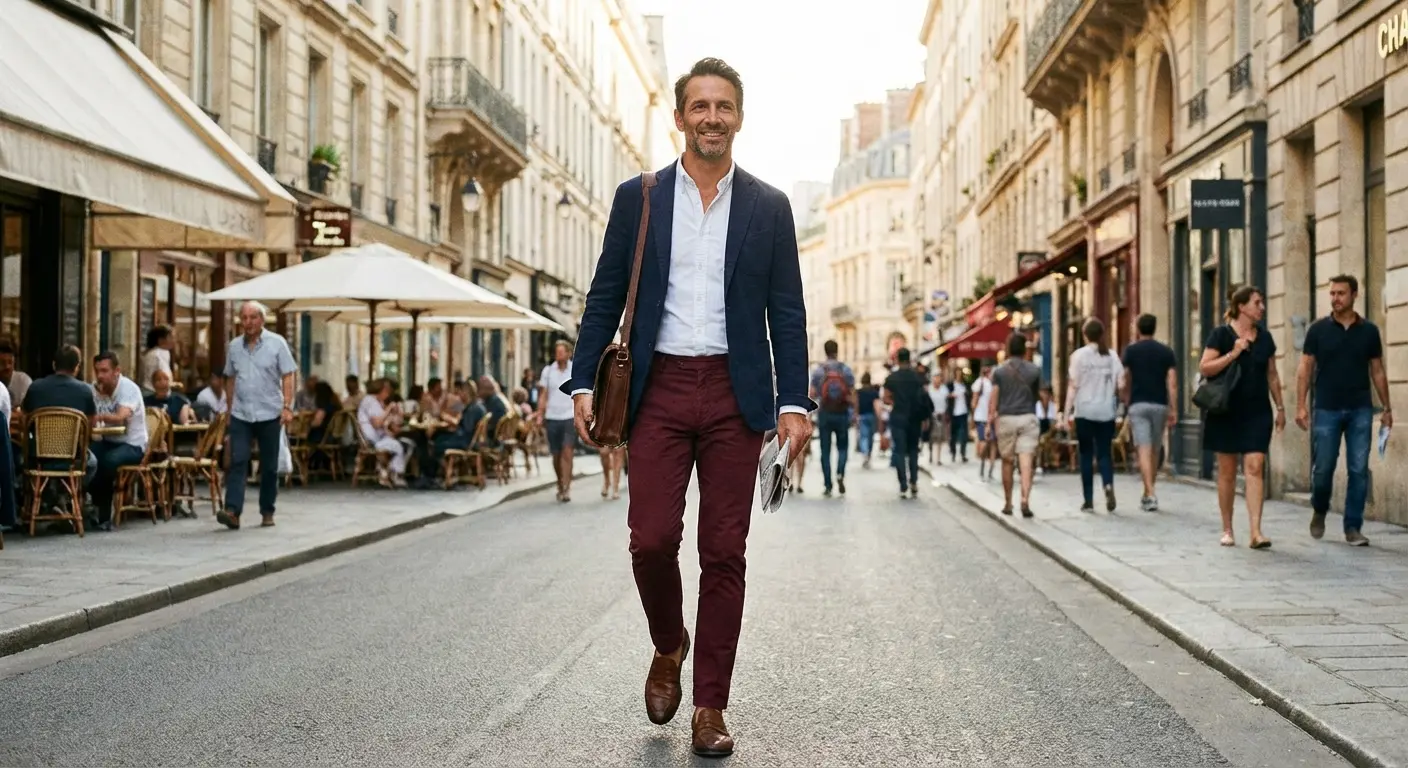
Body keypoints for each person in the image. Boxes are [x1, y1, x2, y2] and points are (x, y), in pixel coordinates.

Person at [562, 58, 812, 758]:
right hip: (660, 389)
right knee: (649, 540)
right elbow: (605, 294)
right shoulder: (639, 198)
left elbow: (787, 312)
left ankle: (710, 706)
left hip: (738, 397)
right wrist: (582, 382)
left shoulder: (768, 206)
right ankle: (668, 643)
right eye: (698, 106)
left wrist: (794, 402)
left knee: (724, 551)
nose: (711, 117)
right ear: (679, 118)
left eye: (723, 106)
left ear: (739, 116)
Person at [1296, 275, 1389, 546]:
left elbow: (1378, 371)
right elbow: (1305, 368)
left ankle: (1352, 527)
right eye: (1332, 293)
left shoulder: (1369, 331)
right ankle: (1320, 508)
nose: (1335, 298)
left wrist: (1387, 408)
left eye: (1341, 293)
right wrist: (1300, 405)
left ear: (1354, 295)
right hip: (1326, 408)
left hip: (1361, 408)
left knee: (1358, 469)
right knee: (1323, 468)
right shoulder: (1318, 330)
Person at [1200, 285, 1285, 549]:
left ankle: (1256, 531)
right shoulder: (1220, 335)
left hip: (1257, 411)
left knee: (1255, 466)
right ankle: (1227, 528)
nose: (1262, 307)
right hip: (1225, 410)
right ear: (1241, 307)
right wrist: (1233, 353)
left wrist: (1280, 407)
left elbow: (1272, 374)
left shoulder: (1266, 338)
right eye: (1257, 303)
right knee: (1226, 471)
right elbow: (1205, 367)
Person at [219, 301, 297, 530]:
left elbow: (289, 375)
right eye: (244, 318)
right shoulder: (234, 346)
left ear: (262, 320)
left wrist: (287, 407)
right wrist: (229, 409)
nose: (248, 322)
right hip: (242, 413)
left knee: (269, 465)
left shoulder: (277, 343)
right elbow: (230, 378)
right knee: (238, 460)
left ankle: (267, 511)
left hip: (269, 413)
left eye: (253, 317)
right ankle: (232, 511)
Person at [1063, 318, 1124, 513]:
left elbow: (1073, 386)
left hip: (1085, 411)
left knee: (1086, 454)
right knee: (1105, 453)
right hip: (1106, 411)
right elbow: (1121, 384)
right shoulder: (1112, 356)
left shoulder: (1078, 356)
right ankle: (1108, 485)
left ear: (1085, 334)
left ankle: (1088, 500)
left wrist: (1066, 414)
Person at [1121, 313, 1178, 511]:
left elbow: (1125, 377)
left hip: (1138, 404)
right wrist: (1174, 408)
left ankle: (1150, 493)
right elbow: (1172, 383)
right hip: (1160, 405)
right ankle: (1148, 491)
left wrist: (1126, 396)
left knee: (1143, 449)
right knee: (1154, 449)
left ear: (1138, 329)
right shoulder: (1166, 351)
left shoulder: (1131, 351)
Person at [90, 351, 149, 531]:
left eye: (104, 371)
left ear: (117, 371)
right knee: (87, 458)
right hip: (108, 440)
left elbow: (121, 417)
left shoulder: (128, 388)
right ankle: (92, 505)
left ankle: (104, 515)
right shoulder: (94, 388)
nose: (100, 376)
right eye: (97, 371)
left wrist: (99, 415)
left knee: (108, 461)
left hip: (133, 444)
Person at [991, 333, 1042, 517]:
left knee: (1007, 461)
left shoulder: (999, 371)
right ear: (1024, 349)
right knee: (1026, 460)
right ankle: (1025, 500)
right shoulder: (1034, 370)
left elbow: (994, 397)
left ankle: (1007, 502)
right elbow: (1038, 397)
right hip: (1027, 416)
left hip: (1006, 418)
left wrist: (991, 419)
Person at [810, 339, 856, 497]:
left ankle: (828, 484)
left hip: (825, 413)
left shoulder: (819, 371)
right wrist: (854, 413)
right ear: (837, 350)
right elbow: (851, 391)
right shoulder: (845, 369)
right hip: (842, 412)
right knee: (843, 447)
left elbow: (813, 393)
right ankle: (840, 473)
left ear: (825, 351)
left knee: (825, 450)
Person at [883, 348, 931, 498]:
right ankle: (914, 482)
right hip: (915, 418)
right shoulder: (918, 377)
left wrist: (895, 403)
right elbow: (924, 398)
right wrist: (925, 418)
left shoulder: (892, 378)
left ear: (897, 359)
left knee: (899, 451)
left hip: (898, 417)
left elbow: (886, 398)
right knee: (913, 451)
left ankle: (903, 485)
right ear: (909, 359)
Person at [536, 340, 577, 503]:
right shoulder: (548, 371)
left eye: (562, 352)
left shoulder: (574, 368)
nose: (559, 355)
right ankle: (560, 482)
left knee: (567, 452)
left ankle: (566, 488)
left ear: (568, 353)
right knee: (556, 454)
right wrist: (540, 413)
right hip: (552, 416)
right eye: (557, 352)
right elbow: (544, 394)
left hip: (569, 415)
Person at [357, 378, 412, 488]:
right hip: (372, 440)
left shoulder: (377, 402)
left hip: (379, 437)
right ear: (380, 390)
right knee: (402, 445)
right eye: (387, 390)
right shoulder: (370, 401)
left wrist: (396, 415)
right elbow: (377, 423)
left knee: (407, 443)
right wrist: (389, 409)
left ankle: (387, 472)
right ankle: (393, 473)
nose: (388, 393)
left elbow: (390, 426)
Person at [971, 366, 995, 480]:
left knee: (986, 441)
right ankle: (986, 468)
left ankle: (985, 467)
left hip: (982, 417)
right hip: (985, 417)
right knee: (987, 442)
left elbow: (974, 401)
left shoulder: (985, 383)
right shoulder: (982, 383)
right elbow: (975, 400)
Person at [138, 325, 174, 395]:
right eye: (170, 337)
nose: (173, 340)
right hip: (153, 394)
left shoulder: (165, 352)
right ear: (160, 340)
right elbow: (158, 378)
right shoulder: (155, 355)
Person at [856, 373, 881, 468]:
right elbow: (876, 405)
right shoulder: (874, 392)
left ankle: (865, 454)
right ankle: (868, 455)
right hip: (872, 416)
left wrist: (856, 415)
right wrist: (879, 417)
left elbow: (856, 404)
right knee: (870, 437)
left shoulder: (859, 391)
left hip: (862, 416)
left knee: (863, 436)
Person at [945, 369, 970, 462]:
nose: (959, 376)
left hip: (963, 412)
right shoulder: (951, 385)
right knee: (953, 435)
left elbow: (969, 396)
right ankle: (953, 452)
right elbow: (946, 395)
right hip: (954, 413)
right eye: (957, 374)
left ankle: (963, 454)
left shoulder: (965, 385)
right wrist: (951, 395)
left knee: (964, 435)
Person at [0, 339, 32, 408]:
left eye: (10, 362)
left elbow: (28, 412)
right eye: (2, 363)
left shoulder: (24, 381)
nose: (7, 367)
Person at [928, 370, 948, 465]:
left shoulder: (944, 389)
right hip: (932, 415)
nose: (938, 379)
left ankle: (938, 458)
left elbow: (947, 402)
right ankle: (931, 454)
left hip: (941, 414)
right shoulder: (929, 389)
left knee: (940, 437)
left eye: (939, 377)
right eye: (936, 377)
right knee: (932, 437)